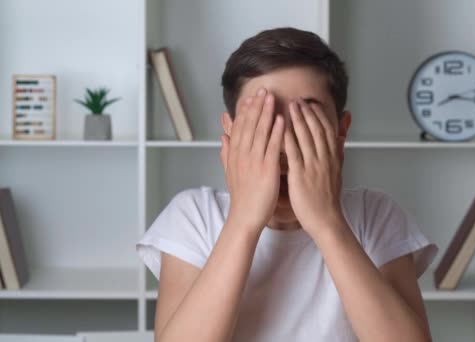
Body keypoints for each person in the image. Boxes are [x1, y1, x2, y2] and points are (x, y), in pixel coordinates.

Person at [136, 27, 438, 342]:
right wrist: (243, 220)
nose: (284, 136)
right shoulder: (195, 216)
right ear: (231, 130)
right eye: (262, 116)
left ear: (340, 130)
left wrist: (327, 222)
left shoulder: (375, 215)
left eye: (306, 114)